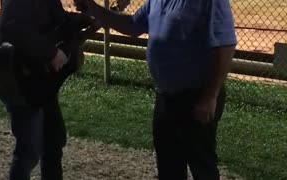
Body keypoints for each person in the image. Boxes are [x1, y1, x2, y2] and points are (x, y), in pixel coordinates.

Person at [74, 0, 237, 179]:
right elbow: (132, 25)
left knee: (201, 164)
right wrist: (91, 7)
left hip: (196, 95)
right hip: (166, 96)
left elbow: (225, 45)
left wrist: (210, 97)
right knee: (168, 162)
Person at [0, 0, 94, 179]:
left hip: (39, 79)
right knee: (28, 153)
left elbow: (58, 19)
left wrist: (84, 20)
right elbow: (12, 29)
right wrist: (51, 52)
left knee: (53, 142)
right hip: (19, 78)